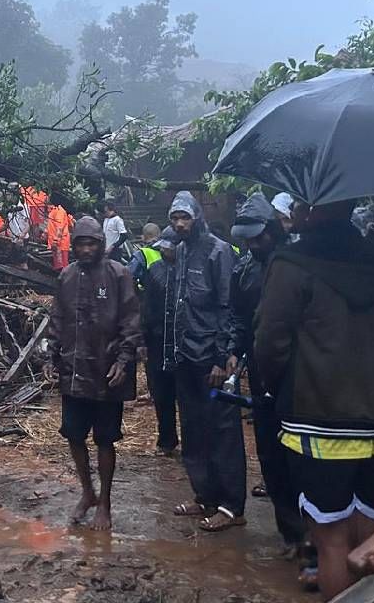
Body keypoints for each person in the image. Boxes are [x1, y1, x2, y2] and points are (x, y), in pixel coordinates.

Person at [252, 199, 374, 601]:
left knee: (330, 540)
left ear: (312, 209)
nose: (294, 208)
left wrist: (279, 386)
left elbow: (269, 343)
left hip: (317, 415)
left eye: (301, 201)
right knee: (365, 528)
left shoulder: (291, 265)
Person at [45, 216, 143, 531]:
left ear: (101, 245)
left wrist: (125, 359)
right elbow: (57, 316)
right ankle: (87, 492)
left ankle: (106, 501)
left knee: (105, 438)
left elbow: (131, 320)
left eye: (92, 243)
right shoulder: (67, 276)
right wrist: (52, 354)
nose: (86, 249)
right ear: (73, 246)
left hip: (106, 368)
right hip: (74, 369)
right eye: (81, 244)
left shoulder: (119, 274)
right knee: (73, 434)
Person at [225, 194, 304, 555]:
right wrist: (232, 351)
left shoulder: (299, 261)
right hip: (260, 373)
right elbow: (239, 319)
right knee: (270, 454)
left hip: (300, 373)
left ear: (273, 230)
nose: (254, 245)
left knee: (301, 456)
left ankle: (313, 534)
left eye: (259, 238)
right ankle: (290, 533)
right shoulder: (244, 270)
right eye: (248, 240)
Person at [166, 191, 248, 532]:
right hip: (185, 356)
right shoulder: (180, 252)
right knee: (194, 429)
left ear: (197, 217)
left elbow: (228, 307)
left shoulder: (219, 251)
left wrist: (221, 357)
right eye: (175, 218)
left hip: (211, 360)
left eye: (185, 217)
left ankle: (232, 506)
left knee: (223, 431)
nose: (180, 224)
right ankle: (205, 496)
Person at [142, 227, 181, 455]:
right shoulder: (155, 270)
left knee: (185, 396)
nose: (167, 251)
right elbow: (146, 307)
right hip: (157, 341)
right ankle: (166, 440)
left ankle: (193, 443)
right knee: (162, 395)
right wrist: (142, 340)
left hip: (184, 344)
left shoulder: (191, 269)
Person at [127, 222, 165, 286]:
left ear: (144, 236)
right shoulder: (168, 250)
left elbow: (129, 276)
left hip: (147, 293)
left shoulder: (141, 254)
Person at [45, 205, 74, 271]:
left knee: (63, 266)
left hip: (60, 243)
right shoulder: (55, 210)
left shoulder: (59, 211)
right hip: (57, 242)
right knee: (58, 265)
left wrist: (56, 241)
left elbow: (60, 228)